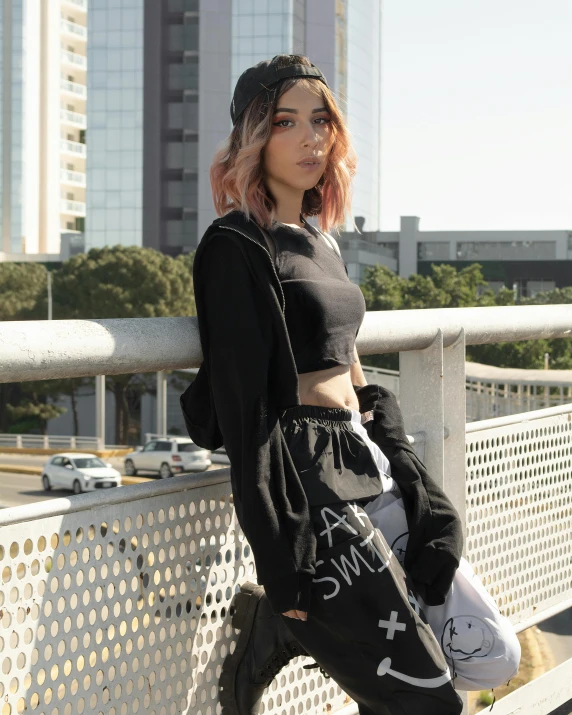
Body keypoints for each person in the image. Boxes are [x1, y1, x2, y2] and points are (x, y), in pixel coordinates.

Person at [181, 54, 520, 715]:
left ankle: (312, 637)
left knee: (491, 655)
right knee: (427, 701)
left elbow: (351, 361)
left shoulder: (322, 241)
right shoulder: (234, 246)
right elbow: (248, 412)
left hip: (365, 456)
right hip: (312, 476)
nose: (312, 138)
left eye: (321, 121)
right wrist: (280, 557)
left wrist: (407, 461)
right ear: (253, 134)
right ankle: (281, 622)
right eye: (287, 122)